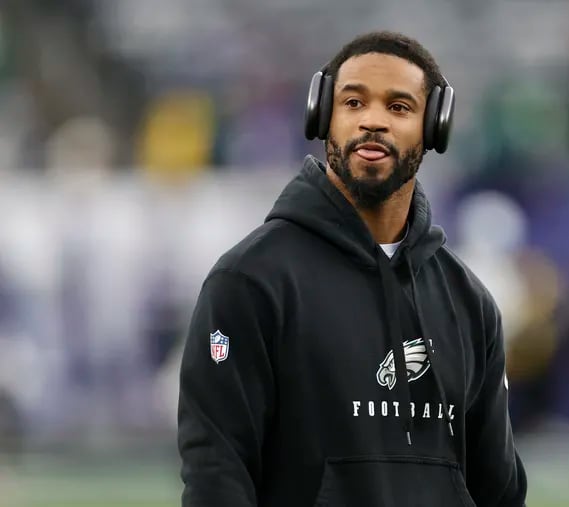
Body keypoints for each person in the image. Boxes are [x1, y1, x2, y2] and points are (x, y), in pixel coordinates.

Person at [177, 30, 528, 506]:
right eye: (354, 103)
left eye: (398, 107)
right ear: (323, 116)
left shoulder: (469, 301)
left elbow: (499, 492)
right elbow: (216, 473)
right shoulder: (250, 281)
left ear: (434, 126)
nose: (373, 122)